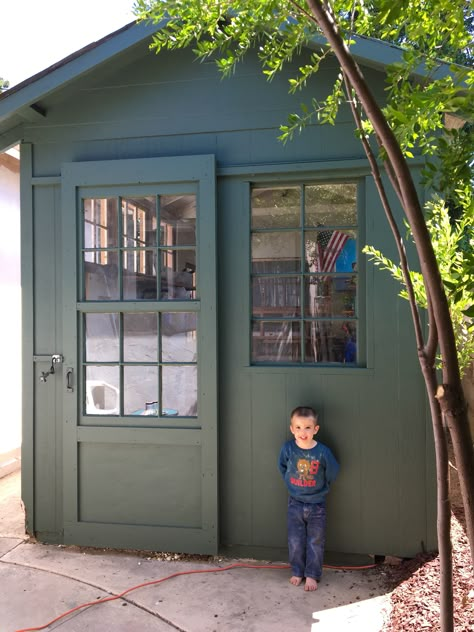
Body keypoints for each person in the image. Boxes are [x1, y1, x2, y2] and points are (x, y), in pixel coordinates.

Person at [278, 406, 340, 591]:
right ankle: (297, 570)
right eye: (298, 427)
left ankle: (312, 574)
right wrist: (290, 483)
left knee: (315, 541)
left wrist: (323, 487)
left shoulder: (322, 452)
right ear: (292, 429)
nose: (302, 432)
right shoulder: (288, 449)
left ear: (315, 429)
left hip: (317, 504)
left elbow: (333, 471)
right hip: (295, 501)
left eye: (307, 428)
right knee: (295, 540)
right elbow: (282, 467)